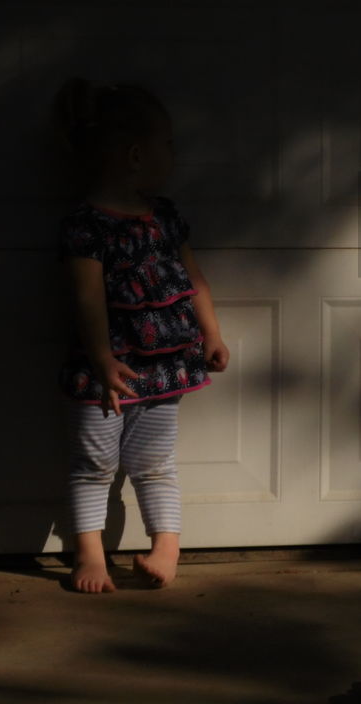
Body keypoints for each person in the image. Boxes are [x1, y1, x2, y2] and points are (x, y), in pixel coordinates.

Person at [50, 78, 230, 593]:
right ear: (134, 154)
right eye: (168, 144)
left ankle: (166, 548)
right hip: (105, 371)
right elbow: (87, 300)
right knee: (94, 464)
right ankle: (89, 556)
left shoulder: (165, 216)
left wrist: (210, 334)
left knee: (154, 464)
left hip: (166, 365)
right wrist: (103, 361)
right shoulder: (86, 226)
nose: (174, 154)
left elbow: (194, 280)